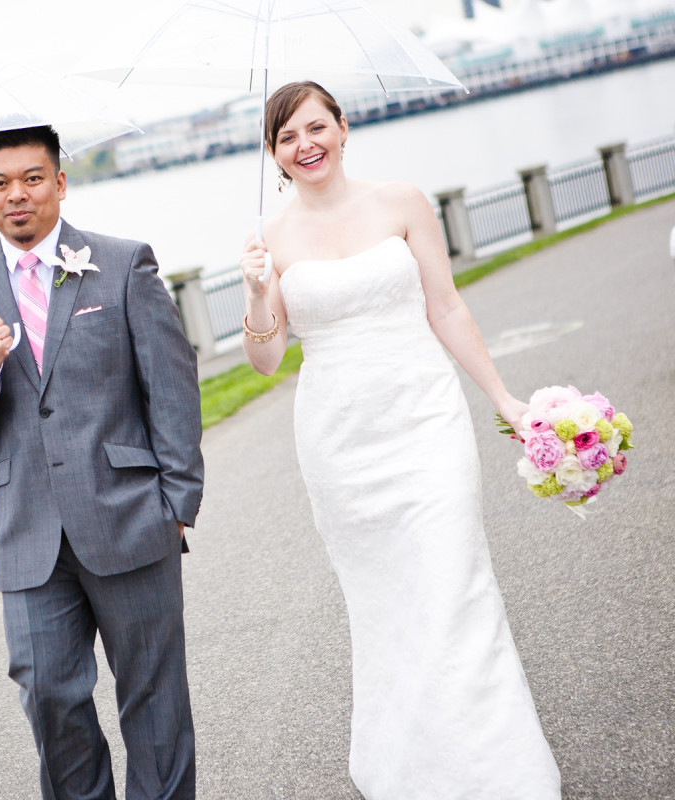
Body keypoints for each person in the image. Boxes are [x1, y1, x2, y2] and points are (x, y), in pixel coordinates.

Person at [238, 82, 561, 798]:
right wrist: (258, 293)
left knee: (454, 583)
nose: (306, 144)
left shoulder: (402, 203)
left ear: (344, 129)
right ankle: (412, 767)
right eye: (288, 137)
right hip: (340, 441)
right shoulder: (272, 239)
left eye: (317, 127)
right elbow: (264, 360)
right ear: (274, 153)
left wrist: (503, 396)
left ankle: (492, 767)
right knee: (386, 603)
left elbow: (445, 307)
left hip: (425, 420)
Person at [0, 124, 204, 800]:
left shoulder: (122, 262)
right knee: (49, 696)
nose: (16, 195)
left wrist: (177, 505)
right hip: (27, 537)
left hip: (131, 519)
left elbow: (172, 388)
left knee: (154, 699)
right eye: (0, 183)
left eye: (32, 178)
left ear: (58, 182)